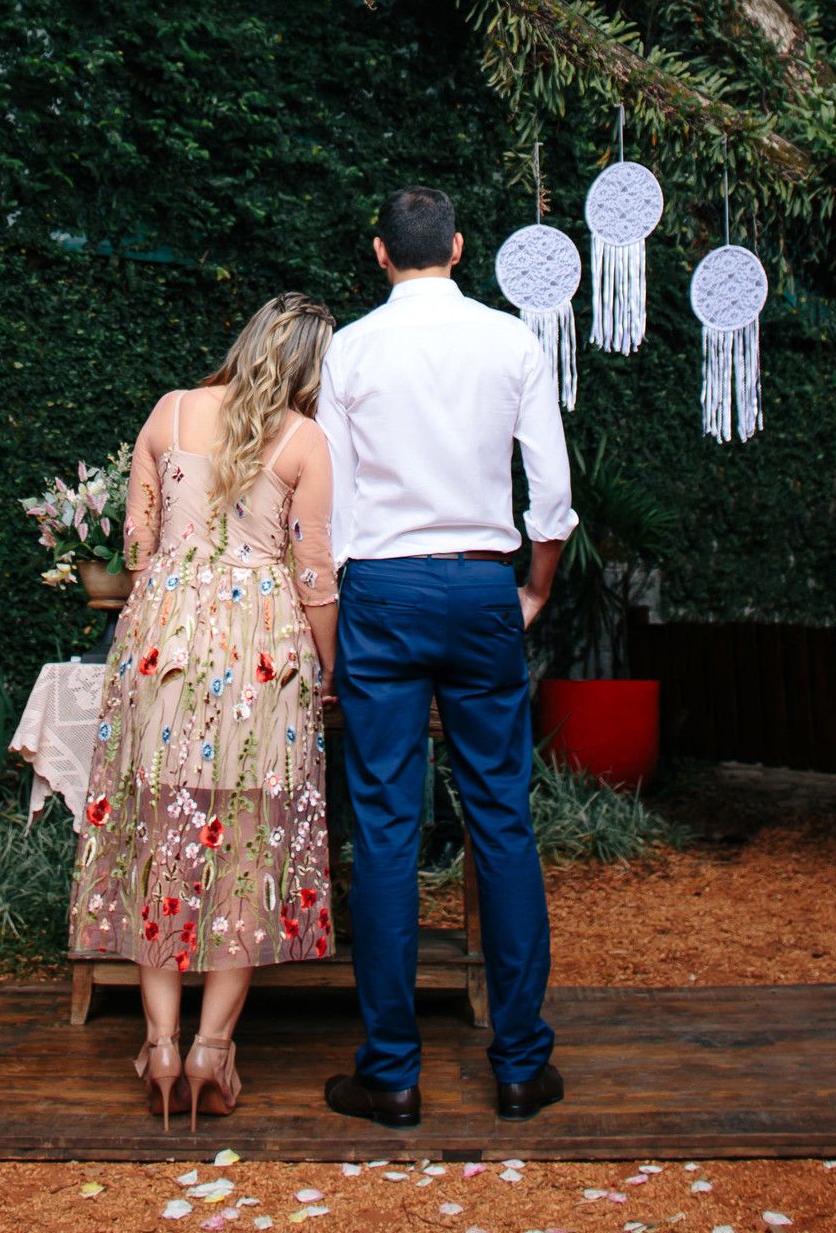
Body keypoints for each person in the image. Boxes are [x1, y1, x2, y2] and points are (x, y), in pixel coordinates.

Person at [319, 186, 575, 1129]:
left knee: (385, 828)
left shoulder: (347, 349)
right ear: (460, 249)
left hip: (381, 592)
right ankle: (518, 1067)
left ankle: (390, 1074)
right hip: (480, 588)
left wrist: (340, 607)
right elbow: (548, 485)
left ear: (380, 252)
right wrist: (535, 587)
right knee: (501, 817)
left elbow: (332, 507)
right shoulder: (511, 341)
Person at [70, 294, 339, 1129]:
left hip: (164, 643)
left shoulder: (172, 411)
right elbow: (315, 573)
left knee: (160, 831)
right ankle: (213, 1049)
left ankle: (158, 1042)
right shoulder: (305, 441)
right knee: (248, 837)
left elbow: (136, 547)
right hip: (261, 651)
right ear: (308, 367)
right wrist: (327, 668)